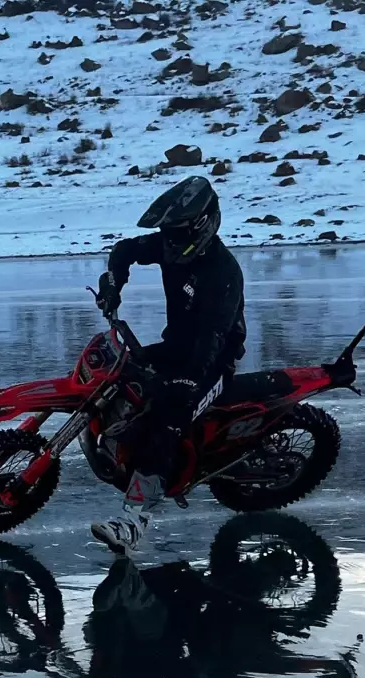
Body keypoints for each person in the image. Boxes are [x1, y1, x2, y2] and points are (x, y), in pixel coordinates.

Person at [90, 176, 247, 554]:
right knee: (118, 379)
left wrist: (187, 383)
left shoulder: (223, 273)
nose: (168, 241)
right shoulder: (171, 246)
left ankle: (134, 521)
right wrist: (113, 285)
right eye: (166, 233)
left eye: (175, 233)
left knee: (168, 415)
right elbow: (124, 251)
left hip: (213, 361)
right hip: (177, 347)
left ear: (203, 225)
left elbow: (212, 339)